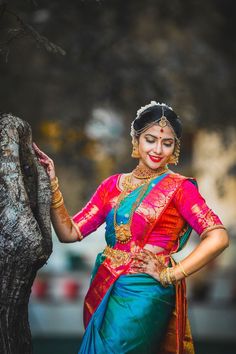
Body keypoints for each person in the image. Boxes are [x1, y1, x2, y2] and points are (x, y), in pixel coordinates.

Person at [34, 101, 229, 354]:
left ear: (175, 148)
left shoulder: (180, 189)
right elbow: (69, 232)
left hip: (147, 292)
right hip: (107, 286)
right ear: (136, 140)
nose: (158, 149)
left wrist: (172, 274)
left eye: (167, 143)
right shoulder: (112, 185)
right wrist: (52, 184)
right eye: (150, 139)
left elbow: (218, 237)